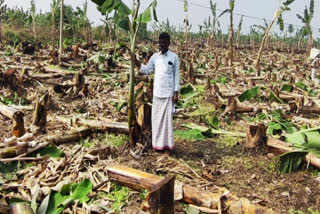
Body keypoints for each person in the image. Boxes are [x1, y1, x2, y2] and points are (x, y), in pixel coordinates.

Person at [135, 32, 180, 155]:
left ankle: (168, 147)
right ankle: (157, 145)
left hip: (168, 93)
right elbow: (146, 70)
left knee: (167, 121)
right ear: (158, 43)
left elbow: (176, 76)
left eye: (165, 42)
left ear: (169, 43)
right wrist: (136, 62)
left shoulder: (174, 57)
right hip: (157, 93)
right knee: (156, 120)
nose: (162, 44)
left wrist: (176, 92)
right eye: (161, 42)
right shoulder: (155, 57)